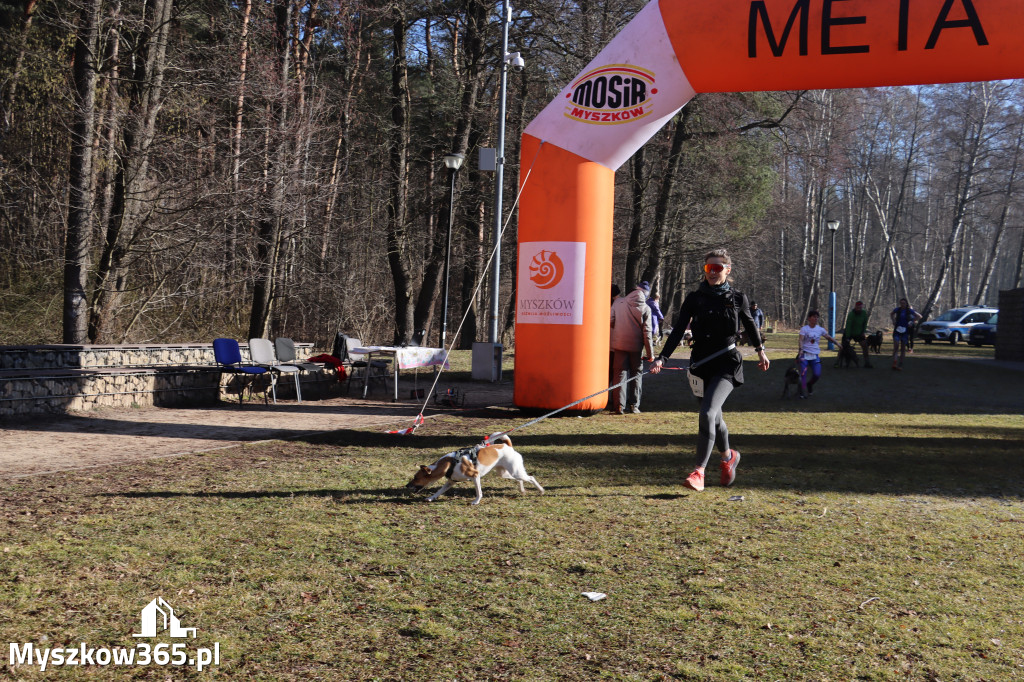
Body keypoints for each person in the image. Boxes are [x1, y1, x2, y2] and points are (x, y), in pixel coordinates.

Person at [650, 249, 769, 491]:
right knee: (714, 417)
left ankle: (699, 472)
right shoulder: (695, 298)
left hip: (727, 363)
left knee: (707, 413)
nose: (712, 272)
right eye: (708, 268)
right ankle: (728, 457)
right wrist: (662, 357)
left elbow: (749, 324)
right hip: (700, 365)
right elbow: (678, 329)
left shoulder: (738, 298)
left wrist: (760, 351)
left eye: (717, 268)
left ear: (727, 270)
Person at [610, 282, 655, 414]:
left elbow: (611, 321)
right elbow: (647, 333)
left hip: (619, 346)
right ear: (646, 294)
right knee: (636, 375)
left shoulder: (618, 303)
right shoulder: (646, 308)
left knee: (619, 374)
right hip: (636, 348)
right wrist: (650, 354)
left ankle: (619, 406)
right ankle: (634, 405)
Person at [797, 310, 839, 398]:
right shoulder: (804, 329)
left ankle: (809, 384)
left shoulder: (820, 329)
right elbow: (801, 340)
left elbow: (829, 337)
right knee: (803, 374)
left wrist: (838, 344)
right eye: (814, 317)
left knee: (817, 374)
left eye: (817, 317)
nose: (816, 319)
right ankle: (802, 391)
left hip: (814, 355)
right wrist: (800, 349)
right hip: (804, 354)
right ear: (809, 318)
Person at [890, 298, 922, 371]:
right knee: (896, 346)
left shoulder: (909, 310)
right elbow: (891, 314)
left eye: (904, 303)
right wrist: (893, 320)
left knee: (903, 348)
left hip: (905, 331)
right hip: (897, 330)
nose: (902, 304)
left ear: (906, 303)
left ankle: (900, 363)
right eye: (901, 303)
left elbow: (919, 316)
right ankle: (894, 362)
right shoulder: (897, 309)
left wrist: (912, 322)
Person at [843, 300, 872, 368]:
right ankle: (838, 362)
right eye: (858, 307)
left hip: (859, 333)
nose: (859, 309)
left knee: (865, 346)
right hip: (849, 333)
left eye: (860, 308)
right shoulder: (851, 314)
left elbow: (865, 323)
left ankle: (867, 362)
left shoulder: (864, 313)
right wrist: (847, 337)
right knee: (843, 346)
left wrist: (863, 332)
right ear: (855, 307)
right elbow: (848, 326)